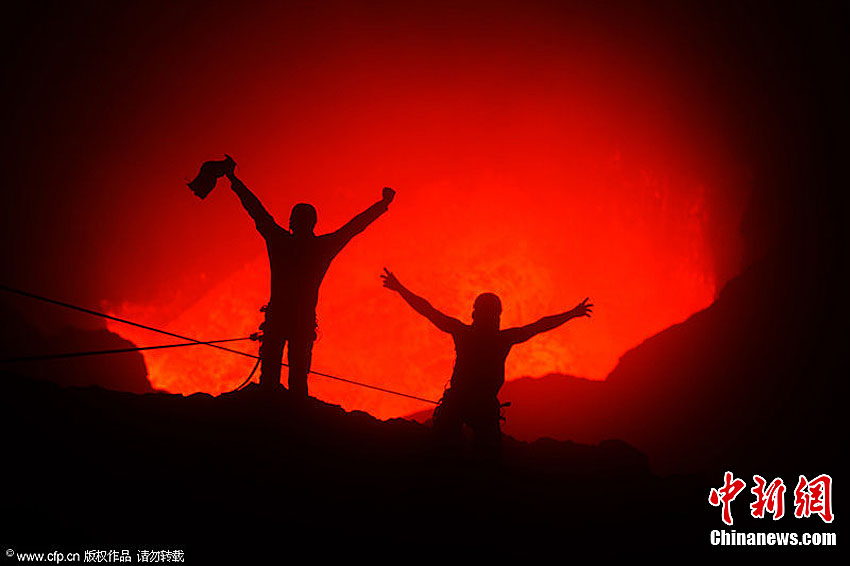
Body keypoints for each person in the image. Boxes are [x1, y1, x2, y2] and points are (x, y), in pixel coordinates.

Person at [225, 156, 395, 395]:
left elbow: (256, 210)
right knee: (298, 382)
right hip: (302, 321)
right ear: (314, 223)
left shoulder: (279, 240)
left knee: (269, 381)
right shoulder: (321, 248)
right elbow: (354, 227)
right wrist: (382, 204)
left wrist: (233, 179)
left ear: (291, 222)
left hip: (278, 318)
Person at [381, 268, 592, 458]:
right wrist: (572, 314)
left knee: (445, 447)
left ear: (475, 313)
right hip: (481, 405)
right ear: (496, 316)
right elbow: (539, 326)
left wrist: (399, 288)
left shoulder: (464, 333)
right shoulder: (502, 339)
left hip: (461, 402)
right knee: (485, 453)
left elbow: (429, 311)